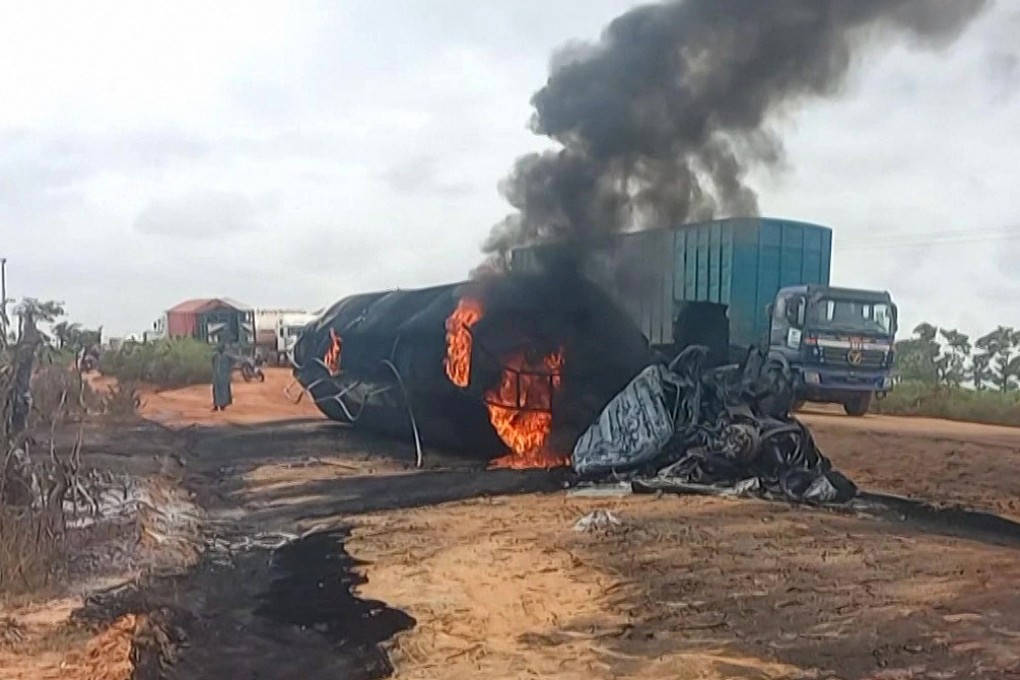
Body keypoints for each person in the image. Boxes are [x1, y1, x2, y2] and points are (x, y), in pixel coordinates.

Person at [211, 343, 233, 411]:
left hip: (224, 376)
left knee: (224, 392)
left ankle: (222, 405)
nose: (219, 349)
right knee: (215, 391)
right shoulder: (215, 356)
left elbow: (233, 361)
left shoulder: (227, 356)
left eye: (221, 348)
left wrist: (228, 370)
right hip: (217, 376)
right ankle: (216, 405)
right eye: (219, 348)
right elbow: (212, 363)